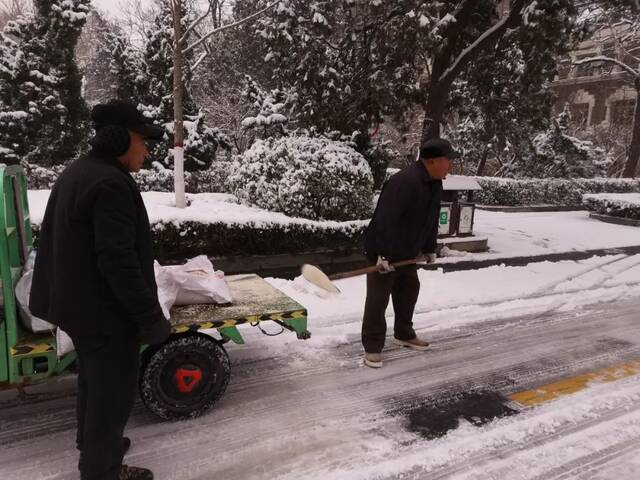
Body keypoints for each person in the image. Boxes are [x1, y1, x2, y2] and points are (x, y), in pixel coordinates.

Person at [29, 99, 172, 480]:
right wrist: (150, 319)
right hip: (103, 314)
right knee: (112, 394)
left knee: (95, 382)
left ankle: (94, 445)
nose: (147, 150)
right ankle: (102, 469)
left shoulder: (83, 171)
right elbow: (118, 262)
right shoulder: (109, 183)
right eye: (142, 141)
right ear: (117, 139)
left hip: (79, 307)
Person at [361, 138, 460, 368]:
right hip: (382, 251)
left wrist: (429, 248)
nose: (450, 166)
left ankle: (403, 334)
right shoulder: (404, 182)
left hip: (407, 253)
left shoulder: (435, 183)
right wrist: (382, 255)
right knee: (378, 299)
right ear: (432, 161)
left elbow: (430, 219)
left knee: (409, 289)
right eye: (448, 161)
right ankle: (372, 347)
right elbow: (386, 220)